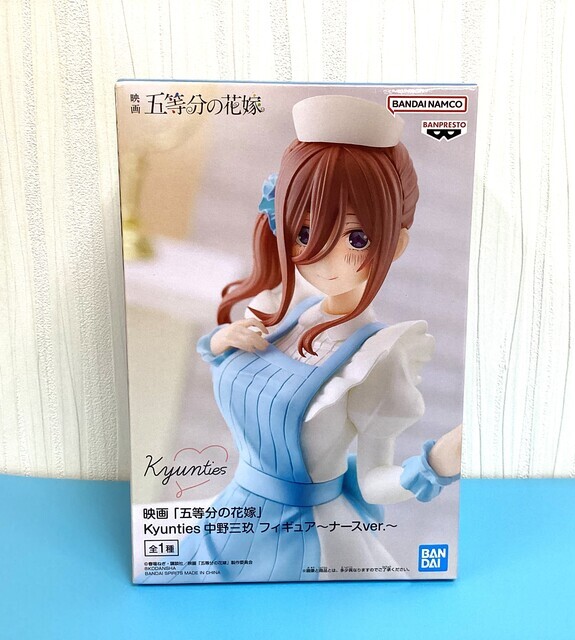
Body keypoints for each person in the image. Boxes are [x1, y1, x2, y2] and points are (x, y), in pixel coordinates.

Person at [154, 95, 461, 583]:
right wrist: (221, 341)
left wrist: (436, 465)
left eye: (356, 239)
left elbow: (373, 482)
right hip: (233, 517)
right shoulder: (288, 313)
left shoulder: (376, 357)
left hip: (302, 541)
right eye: (305, 231)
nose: (324, 256)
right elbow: (224, 361)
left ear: (396, 243)